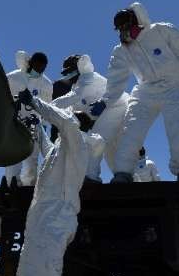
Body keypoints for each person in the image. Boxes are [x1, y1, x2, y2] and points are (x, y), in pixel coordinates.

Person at [0, 88, 104, 276]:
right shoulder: (60, 153)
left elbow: (66, 123)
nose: (66, 121)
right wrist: (36, 126)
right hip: (41, 224)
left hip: (53, 224)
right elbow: (47, 146)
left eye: (71, 118)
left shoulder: (78, 142)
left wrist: (36, 104)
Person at [90, 2, 179, 183]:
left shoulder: (161, 31)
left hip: (173, 87)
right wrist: (105, 101)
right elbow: (115, 79)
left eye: (125, 26)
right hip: (145, 91)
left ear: (136, 21)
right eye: (119, 28)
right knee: (131, 130)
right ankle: (123, 172)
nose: (123, 31)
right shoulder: (121, 51)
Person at [52, 54, 130, 182]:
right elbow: (71, 108)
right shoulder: (77, 84)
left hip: (117, 106)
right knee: (109, 148)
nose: (68, 76)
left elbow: (71, 98)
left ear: (79, 68)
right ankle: (122, 175)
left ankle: (91, 176)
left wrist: (42, 106)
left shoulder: (88, 78)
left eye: (70, 72)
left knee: (97, 140)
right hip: (113, 110)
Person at [5, 50, 53, 186]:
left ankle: (29, 185)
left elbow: (47, 106)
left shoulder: (46, 84)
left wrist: (43, 124)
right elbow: (2, 95)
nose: (39, 71)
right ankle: (12, 182)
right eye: (37, 68)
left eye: (42, 69)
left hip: (34, 124)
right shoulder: (14, 77)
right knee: (14, 153)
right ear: (31, 63)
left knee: (32, 157)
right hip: (15, 122)